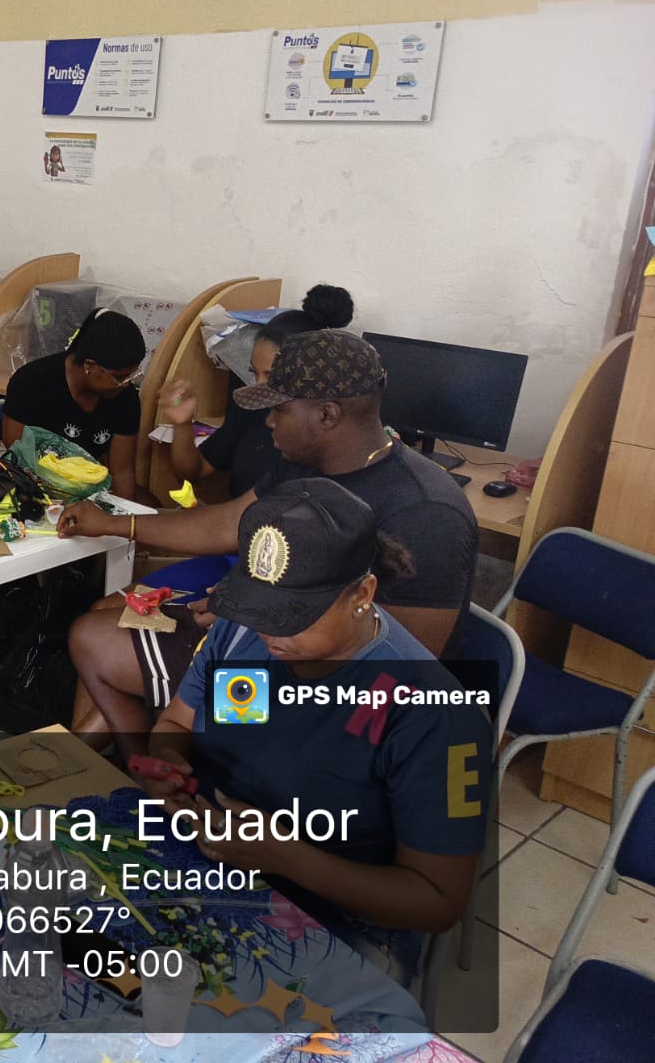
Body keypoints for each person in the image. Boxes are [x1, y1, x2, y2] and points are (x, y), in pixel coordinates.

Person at [132, 479, 490, 981]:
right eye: (259, 608)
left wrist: (285, 858)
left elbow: (437, 901)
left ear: (362, 594)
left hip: (339, 915)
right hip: (210, 856)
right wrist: (168, 763)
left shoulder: (430, 715)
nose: (268, 631)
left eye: (292, 616)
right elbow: (177, 722)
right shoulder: (244, 635)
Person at [61, 329, 476, 749]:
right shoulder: (306, 462)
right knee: (93, 636)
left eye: (279, 409)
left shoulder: (426, 513)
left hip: (325, 690)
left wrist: (251, 620)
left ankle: (152, 764)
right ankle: (130, 771)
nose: (269, 421)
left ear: (327, 415)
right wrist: (115, 523)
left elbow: (401, 668)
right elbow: (225, 524)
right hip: (263, 637)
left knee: (121, 661)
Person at [160, 284, 355, 499]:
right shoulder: (253, 407)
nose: (259, 384)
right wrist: (182, 424)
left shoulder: (327, 432)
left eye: (271, 375)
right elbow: (195, 472)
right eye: (254, 372)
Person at [2, 309, 147, 500]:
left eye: (131, 376)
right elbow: (18, 458)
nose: (125, 384)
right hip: (34, 485)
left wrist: (123, 514)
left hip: (88, 489)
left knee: (151, 505)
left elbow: (122, 472)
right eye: (119, 377)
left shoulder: (124, 397)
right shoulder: (32, 382)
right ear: (89, 366)